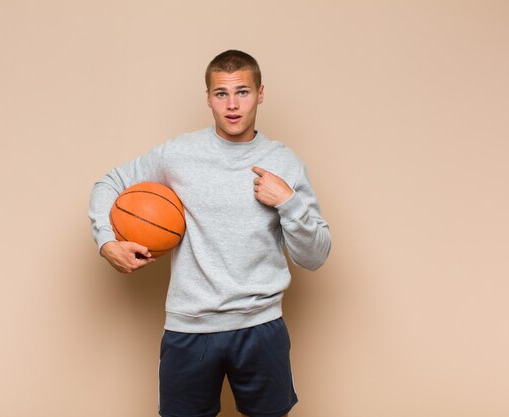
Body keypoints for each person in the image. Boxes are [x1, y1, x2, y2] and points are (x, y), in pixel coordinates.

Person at [88, 50, 331, 417]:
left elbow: (316, 256)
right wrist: (107, 242)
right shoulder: (179, 154)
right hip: (190, 326)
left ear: (261, 93)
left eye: (243, 92)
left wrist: (289, 202)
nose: (232, 105)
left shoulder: (285, 162)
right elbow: (110, 183)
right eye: (221, 93)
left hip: (260, 326)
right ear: (208, 98)